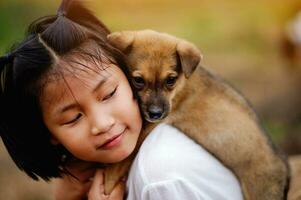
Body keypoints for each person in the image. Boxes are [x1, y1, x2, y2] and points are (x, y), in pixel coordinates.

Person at [0, 0, 243, 199]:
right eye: (74, 117)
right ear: (48, 133)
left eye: (108, 94)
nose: (102, 124)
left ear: (128, 76)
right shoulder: (87, 179)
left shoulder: (160, 177)